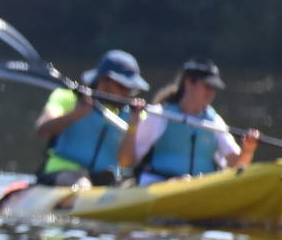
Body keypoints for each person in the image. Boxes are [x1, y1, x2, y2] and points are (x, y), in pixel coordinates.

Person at [117, 57, 259, 185]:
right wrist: (133, 123)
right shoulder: (159, 115)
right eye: (207, 86)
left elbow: (237, 166)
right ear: (189, 82)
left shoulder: (214, 121)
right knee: (182, 181)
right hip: (160, 184)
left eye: (214, 88)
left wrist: (248, 150)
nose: (211, 93)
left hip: (200, 188)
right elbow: (126, 161)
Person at [33, 49, 149, 186]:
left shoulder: (136, 116)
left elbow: (126, 162)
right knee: (82, 184)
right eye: (124, 87)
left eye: (132, 90)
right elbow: (43, 130)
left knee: (131, 186)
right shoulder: (68, 98)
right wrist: (76, 114)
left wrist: (133, 126)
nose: (128, 94)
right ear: (104, 81)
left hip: (106, 179)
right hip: (62, 172)